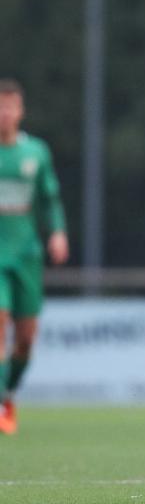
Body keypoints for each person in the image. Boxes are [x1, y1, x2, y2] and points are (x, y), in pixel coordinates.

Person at [0, 79, 69, 435]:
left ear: (20, 111)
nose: (3, 113)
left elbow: (49, 199)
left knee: (25, 339)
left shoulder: (36, 152)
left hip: (26, 254)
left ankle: (8, 393)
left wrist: (57, 232)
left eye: (9, 106)